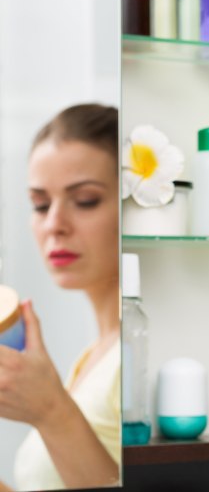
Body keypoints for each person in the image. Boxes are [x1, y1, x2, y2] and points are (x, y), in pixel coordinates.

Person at [0, 104, 120, 491]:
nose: (54, 224)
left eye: (85, 200)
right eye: (40, 204)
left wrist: (50, 409)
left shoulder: (130, 356)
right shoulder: (92, 357)